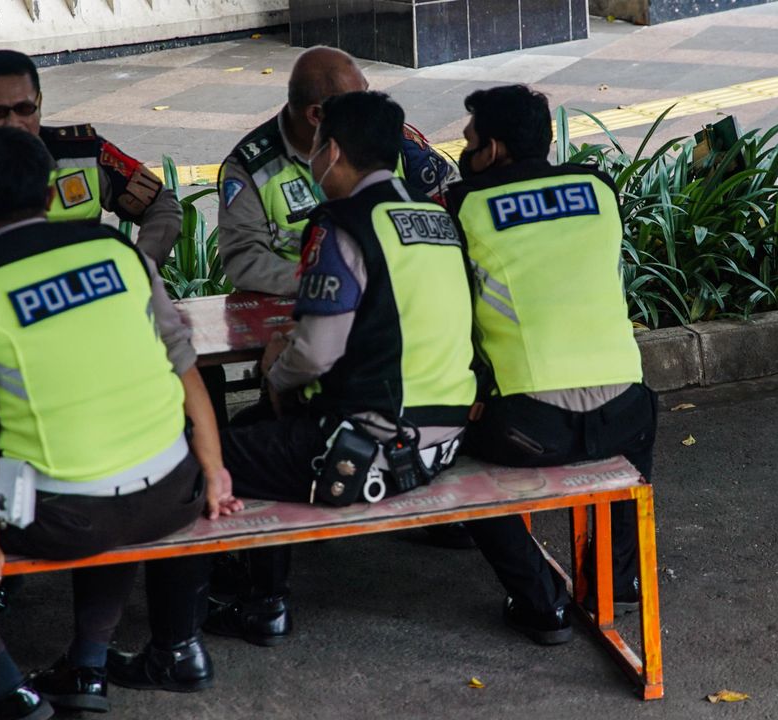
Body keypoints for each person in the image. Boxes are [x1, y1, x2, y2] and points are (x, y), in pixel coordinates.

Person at [0, 127, 241, 720]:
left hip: (65, 517)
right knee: (108, 482)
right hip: (177, 492)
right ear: (51, 196)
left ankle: (7, 694)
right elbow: (184, 363)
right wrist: (214, 470)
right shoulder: (113, 248)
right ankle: (87, 665)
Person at [192, 90, 476, 648]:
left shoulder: (340, 224)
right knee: (260, 436)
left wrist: (275, 371)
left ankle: (229, 617)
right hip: (444, 442)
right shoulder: (435, 219)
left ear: (333, 151)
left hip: (369, 452)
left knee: (207, 456)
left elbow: (317, 353)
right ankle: (261, 593)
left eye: (318, 147)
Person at [444, 84, 658, 645]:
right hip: (625, 415)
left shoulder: (465, 205)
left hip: (527, 428)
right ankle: (615, 582)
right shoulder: (598, 188)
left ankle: (541, 602)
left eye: (468, 139)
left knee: (451, 456)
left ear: (491, 149)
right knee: (639, 428)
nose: (462, 149)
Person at [0, 49, 182, 303]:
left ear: (39, 102)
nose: (14, 124)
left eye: (24, 109)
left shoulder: (85, 153)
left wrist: (137, 268)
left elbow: (163, 206)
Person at [216, 45, 456, 297]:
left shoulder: (388, 136)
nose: (370, 109)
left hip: (402, 291)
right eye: (356, 104)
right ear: (316, 115)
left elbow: (451, 205)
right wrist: (334, 283)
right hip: (306, 308)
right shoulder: (250, 167)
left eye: (367, 93)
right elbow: (245, 261)